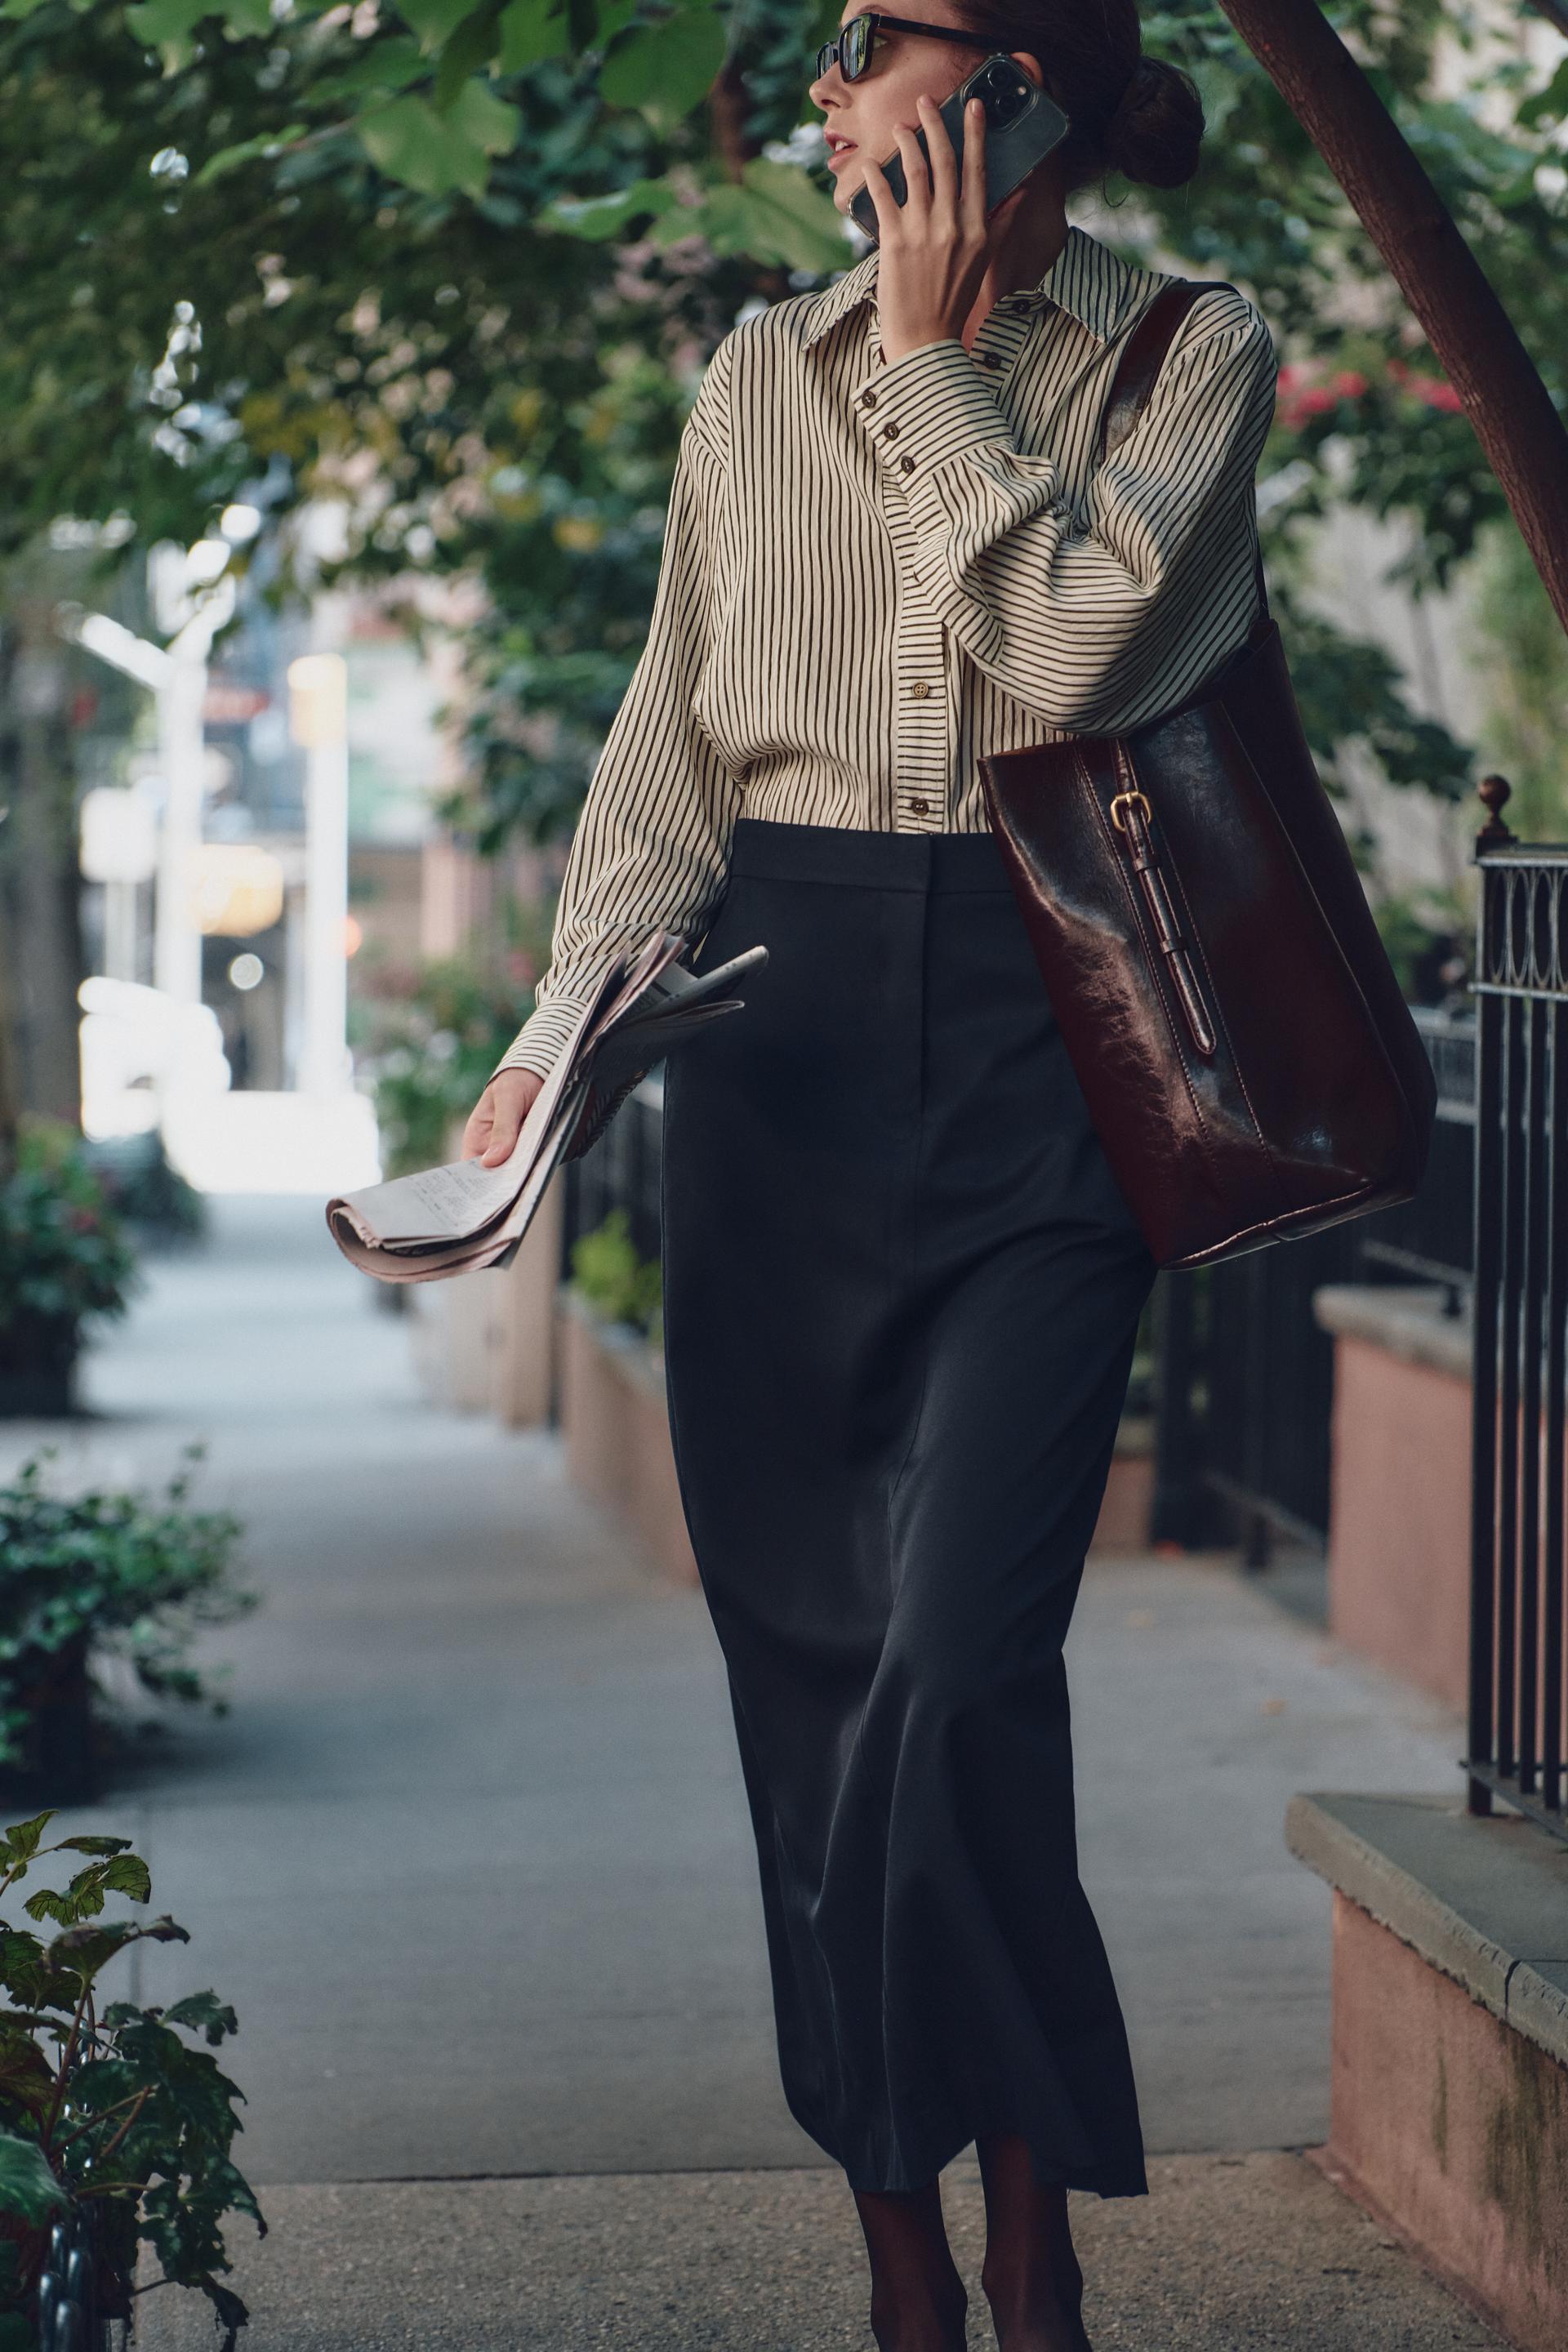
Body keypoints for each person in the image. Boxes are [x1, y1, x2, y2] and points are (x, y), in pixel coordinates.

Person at [464, 4, 1277, 2343]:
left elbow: (1079, 645)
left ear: (1013, 82)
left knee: (958, 1669)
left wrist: (929, 364)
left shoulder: (1190, 357)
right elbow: (669, 745)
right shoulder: (752, 374)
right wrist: (553, 1039)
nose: (819, 91)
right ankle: (910, 2243)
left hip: (1059, 1048)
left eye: (866, 44)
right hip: (781, 1058)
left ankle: (1026, 2221)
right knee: (812, 1697)